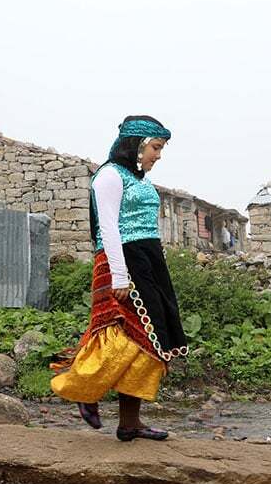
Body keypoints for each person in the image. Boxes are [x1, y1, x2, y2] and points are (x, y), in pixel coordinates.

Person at [51, 116, 188, 441]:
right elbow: (109, 227)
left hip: (148, 261)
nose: (158, 156)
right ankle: (82, 388)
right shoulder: (109, 176)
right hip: (122, 260)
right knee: (123, 336)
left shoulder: (138, 180)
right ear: (138, 145)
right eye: (156, 148)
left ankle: (130, 422)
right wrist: (119, 275)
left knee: (150, 341)